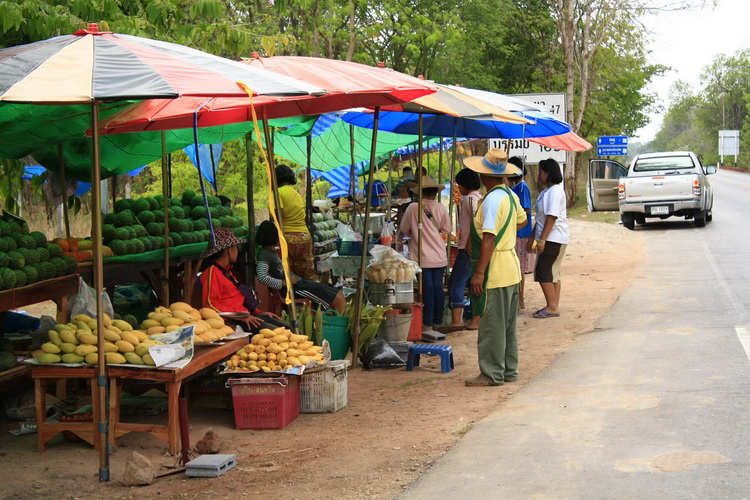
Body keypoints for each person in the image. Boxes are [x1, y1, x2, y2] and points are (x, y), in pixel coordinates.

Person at [462, 149, 527, 387]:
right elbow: (522, 220)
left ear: (483, 175)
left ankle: (491, 373)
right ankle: (508, 370)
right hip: (511, 267)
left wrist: (479, 273)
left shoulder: (491, 200)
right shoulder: (510, 195)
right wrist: (507, 232)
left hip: (496, 271)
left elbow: (488, 238)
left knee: (492, 326)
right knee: (508, 326)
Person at [199, 227, 288, 333]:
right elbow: (210, 305)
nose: (237, 251)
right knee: (280, 334)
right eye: (236, 247)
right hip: (233, 321)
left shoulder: (227, 271)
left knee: (288, 328)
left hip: (245, 316)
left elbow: (237, 300)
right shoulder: (212, 272)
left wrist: (258, 312)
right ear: (229, 250)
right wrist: (240, 317)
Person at [396, 175, 451, 336]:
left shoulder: (413, 207)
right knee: (437, 289)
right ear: (434, 193)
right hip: (439, 255)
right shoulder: (440, 207)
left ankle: (427, 324)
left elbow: (404, 230)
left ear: (420, 193)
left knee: (426, 289)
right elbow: (447, 229)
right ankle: (437, 321)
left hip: (422, 256)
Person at [256, 220, 346, 314]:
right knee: (336, 298)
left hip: (299, 283)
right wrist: (283, 283)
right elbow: (262, 277)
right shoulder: (264, 254)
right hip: (293, 289)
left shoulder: (271, 252)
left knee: (337, 293)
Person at [441, 168, 483, 333]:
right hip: (470, 246)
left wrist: (471, 244)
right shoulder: (478, 198)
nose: (457, 188)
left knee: (455, 284)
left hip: (468, 248)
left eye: (458, 185)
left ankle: (457, 320)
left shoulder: (470, 199)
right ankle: (473, 317)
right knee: (470, 284)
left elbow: (476, 221)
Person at [527, 158, 569, 319]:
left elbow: (551, 216)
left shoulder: (555, 192)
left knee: (544, 271)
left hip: (554, 237)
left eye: (541, 172)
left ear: (548, 173)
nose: (539, 175)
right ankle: (553, 305)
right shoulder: (546, 192)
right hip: (550, 236)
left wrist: (542, 240)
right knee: (552, 272)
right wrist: (533, 236)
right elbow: (540, 218)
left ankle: (552, 306)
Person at [275, 164, 318, 281]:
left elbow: (279, 215)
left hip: (288, 237)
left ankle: (292, 298)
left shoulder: (278, 192)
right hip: (304, 237)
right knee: (308, 272)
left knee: (287, 275)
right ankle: (318, 296)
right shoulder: (297, 194)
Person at [508, 156, 534, 310]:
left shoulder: (522, 188)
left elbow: (526, 210)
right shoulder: (516, 187)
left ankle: (520, 299)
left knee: (518, 267)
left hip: (520, 232)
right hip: (517, 232)